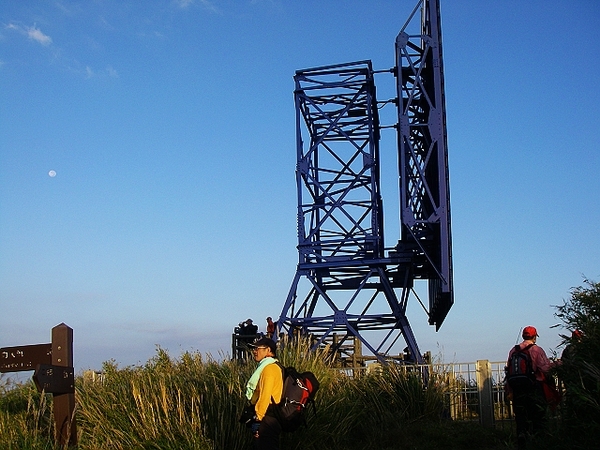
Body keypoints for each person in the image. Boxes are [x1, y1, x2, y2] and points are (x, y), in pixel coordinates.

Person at [506, 326, 555, 449]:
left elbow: (508, 370)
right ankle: (538, 442)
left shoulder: (513, 350)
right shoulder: (536, 350)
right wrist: (558, 365)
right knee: (537, 417)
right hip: (533, 388)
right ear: (534, 336)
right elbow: (545, 368)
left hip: (517, 389)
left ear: (523, 336)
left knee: (521, 418)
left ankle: (522, 441)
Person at [245, 337, 283, 450]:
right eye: (254, 348)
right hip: (271, 417)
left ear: (268, 350)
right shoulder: (271, 366)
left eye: (258, 348)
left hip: (267, 418)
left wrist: (258, 419)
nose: (254, 351)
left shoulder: (269, 369)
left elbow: (265, 395)